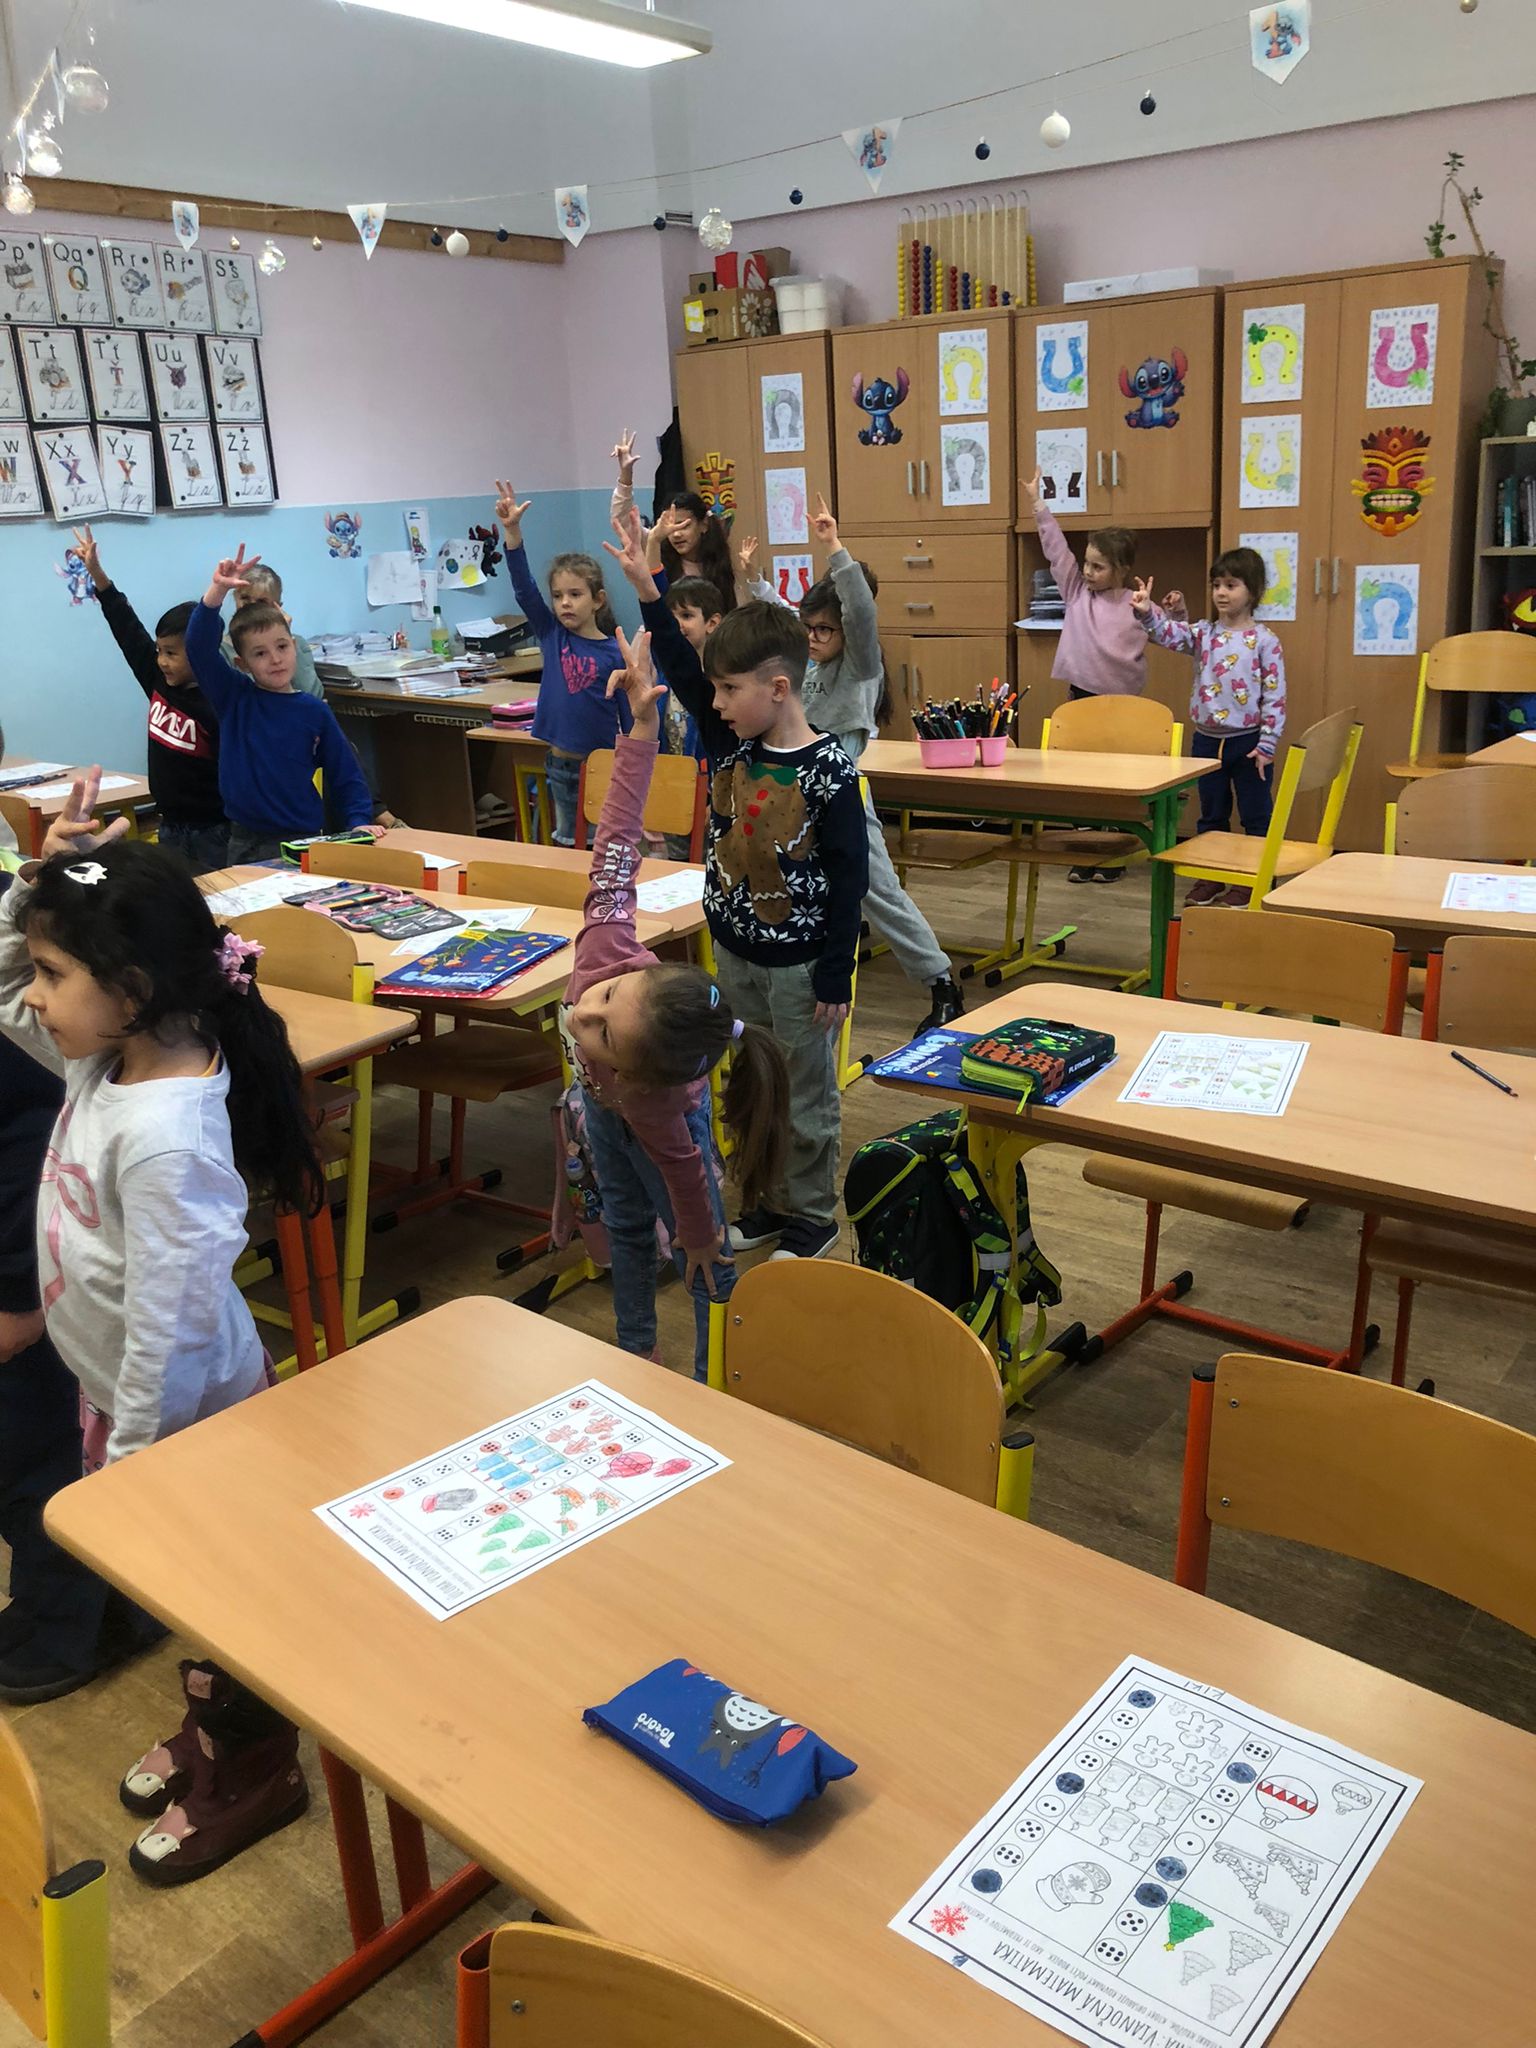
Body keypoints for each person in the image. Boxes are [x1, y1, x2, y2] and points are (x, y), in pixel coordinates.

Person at [0, 769, 320, 1882]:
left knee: (229, 1606)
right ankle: (212, 1724)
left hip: (186, 1423)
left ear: (132, 989)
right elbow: (4, 996)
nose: (37, 995)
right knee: (196, 1609)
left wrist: (128, 1465)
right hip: (129, 1403)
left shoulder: (168, 1133)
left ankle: (259, 1763)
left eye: (54, 973)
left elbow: (174, 1332)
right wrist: (40, 891)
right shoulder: (109, 1053)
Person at [607, 506, 867, 1262]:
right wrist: (649, 587)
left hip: (801, 968)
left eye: (728, 689)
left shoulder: (829, 769)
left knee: (804, 1093)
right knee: (749, 1082)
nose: (713, 703)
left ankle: (811, 1214)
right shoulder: (731, 738)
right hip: (736, 953)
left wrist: (835, 972)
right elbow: (681, 667)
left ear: (778, 688)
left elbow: (849, 880)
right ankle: (762, 1200)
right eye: (714, 690)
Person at [565, 627, 789, 1377]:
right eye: (605, 999)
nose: (581, 1013)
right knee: (627, 1230)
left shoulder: (659, 1104)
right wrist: (641, 728)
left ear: (634, 1072)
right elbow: (618, 835)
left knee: (702, 1256)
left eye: (599, 1033)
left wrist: (698, 1239)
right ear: (633, 973)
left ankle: (708, 1375)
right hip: (604, 1111)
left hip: (646, 1121)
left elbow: (689, 1180)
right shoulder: (606, 944)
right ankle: (637, 1352)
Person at [740, 509, 964, 1035]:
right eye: (809, 629)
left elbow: (860, 613)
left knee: (878, 890)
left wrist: (834, 548)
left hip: (840, 792)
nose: (812, 638)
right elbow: (783, 614)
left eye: (825, 630)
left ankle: (941, 983)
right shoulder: (808, 661)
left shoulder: (861, 666)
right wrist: (753, 580)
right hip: (792, 792)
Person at [185, 545, 379, 864]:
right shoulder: (235, 696)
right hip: (245, 841)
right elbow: (198, 647)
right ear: (242, 663)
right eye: (260, 653)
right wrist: (217, 590)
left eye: (282, 647)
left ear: (294, 644)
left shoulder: (314, 710)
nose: (275, 659)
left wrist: (358, 822)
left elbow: (345, 772)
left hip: (303, 840)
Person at [69, 525, 228, 875]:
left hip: (214, 831)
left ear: (202, 652)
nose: (162, 661)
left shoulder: (220, 702)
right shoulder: (158, 680)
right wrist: (97, 573)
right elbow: (125, 625)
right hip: (169, 824)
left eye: (172, 653)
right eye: (159, 650)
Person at [1132, 550, 1287, 906]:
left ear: (1253, 590)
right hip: (1206, 742)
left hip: (1249, 744)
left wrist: (1267, 744)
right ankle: (1212, 876)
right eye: (1217, 584)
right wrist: (1146, 611)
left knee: (1256, 815)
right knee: (1212, 815)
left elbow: (1275, 696)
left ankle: (1253, 879)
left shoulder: (1265, 641)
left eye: (1231, 585)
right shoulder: (1204, 633)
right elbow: (1167, 634)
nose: (1221, 592)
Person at [1022, 465, 1145, 883]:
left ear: (1121, 569)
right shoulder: (1076, 593)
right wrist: (1038, 504)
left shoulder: (1136, 604)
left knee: (1114, 782)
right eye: (1088, 564)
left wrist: (1175, 608)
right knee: (1079, 779)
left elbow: (1171, 631)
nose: (1089, 572)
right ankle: (1084, 851)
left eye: (1099, 567)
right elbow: (1057, 551)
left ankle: (1111, 856)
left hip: (1123, 705)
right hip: (1082, 696)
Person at [496, 479, 627, 847]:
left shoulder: (615, 651)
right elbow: (524, 589)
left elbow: (629, 716)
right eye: (558, 596)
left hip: (603, 767)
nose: (565, 602)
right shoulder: (553, 634)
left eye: (575, 594)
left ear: (598, 600)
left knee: (602, 845)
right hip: (561, 764)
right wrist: (513, 533)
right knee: (568, 842)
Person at [221, 561, 323, 698]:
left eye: (261, 602)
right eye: (245, 598)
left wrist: (285, 634)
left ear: (277, 607)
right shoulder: (222, 649)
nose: (251, 606)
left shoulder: (298, 643)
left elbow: (312, 693)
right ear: (235, 598)